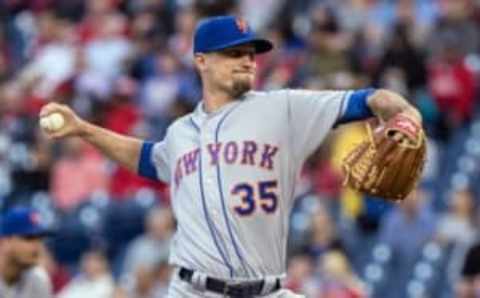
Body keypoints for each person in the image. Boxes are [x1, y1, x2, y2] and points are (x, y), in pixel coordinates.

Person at [40, 15, 422, 298]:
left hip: (268, 289)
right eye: (234, 53)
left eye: (251, 54)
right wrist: (83, 129)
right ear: (202, 60)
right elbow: (147, 158)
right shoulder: (179, 133)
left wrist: (402, 111)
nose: (248, 61)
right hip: (193, 290)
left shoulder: (284, 108)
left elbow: (367, 100)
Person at [0, 207, 53, 298]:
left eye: (40, 239)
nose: (37, 246)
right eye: (29, 238)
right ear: (5, 241)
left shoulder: (38, 280)